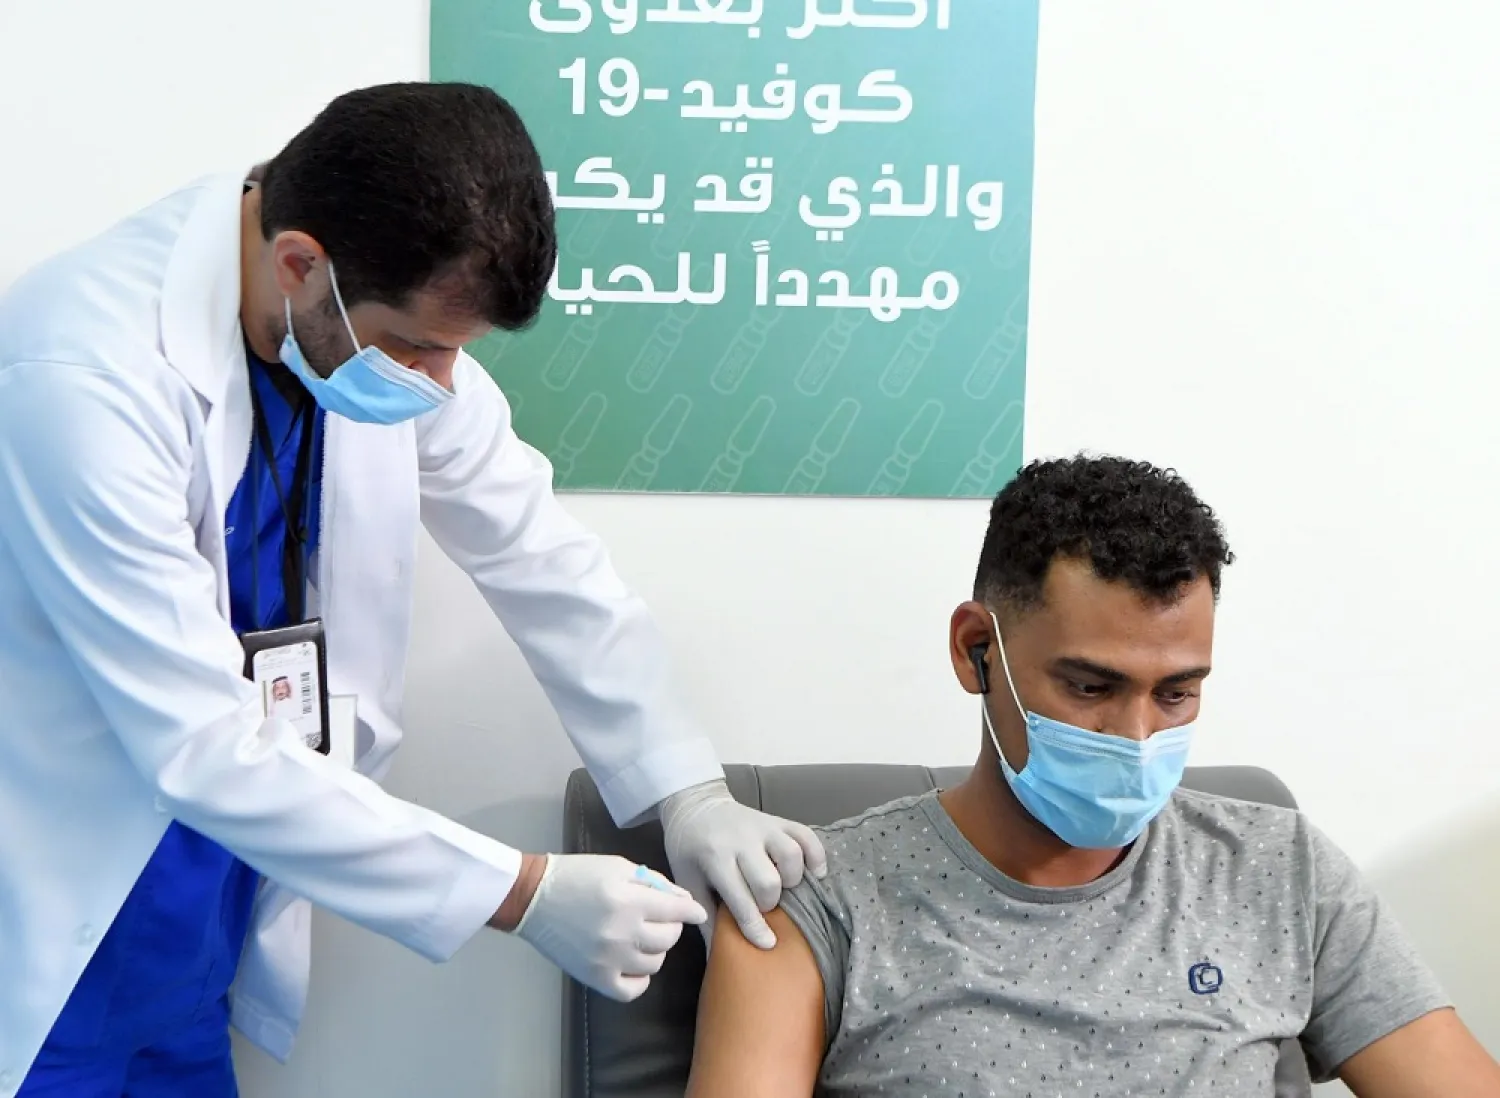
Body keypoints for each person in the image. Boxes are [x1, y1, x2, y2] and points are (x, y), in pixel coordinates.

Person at [0, 81, 824, 1096]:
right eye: (421, 347)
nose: (441, 385)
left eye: (459, 354)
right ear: (301, 265)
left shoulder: (357, 324)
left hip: (198, 930)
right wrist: (524, 893)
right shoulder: (82, 372)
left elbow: (541, 557)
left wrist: (685, 788)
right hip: (50, 928)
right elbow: (199, 743)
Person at [685, 455, 1500, 1097]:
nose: (1136, 736)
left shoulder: (1278, 870)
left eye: (1176, 693)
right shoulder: (817, 900)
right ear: (976, 651)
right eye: (1089, 688)